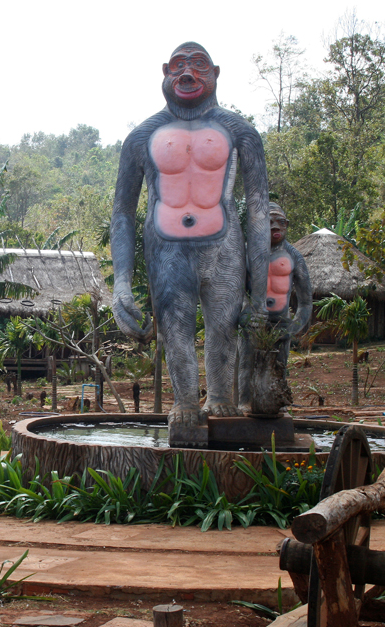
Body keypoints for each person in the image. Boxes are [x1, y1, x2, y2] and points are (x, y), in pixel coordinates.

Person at [110, 42, 271, 427]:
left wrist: (262, 293)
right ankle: (184, 402)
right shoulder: (141, 137)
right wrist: (121, 284)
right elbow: (122, 214)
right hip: (165, 249)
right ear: (165, 72)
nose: (188, 74)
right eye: (179, 65)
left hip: (223, 245)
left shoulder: (239, 132)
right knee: (174, 327)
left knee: (224, 326)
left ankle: (219, 396)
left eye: (199, 65)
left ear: (216, 73)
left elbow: (260, 211)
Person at [237, 203, 312, 412]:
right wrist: (245, 313)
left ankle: (276, 403)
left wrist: (295, 326)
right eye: (269, 222)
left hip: (281, 320)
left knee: (280, 365)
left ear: (287, 225)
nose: (275, 227)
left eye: (280, 222)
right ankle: (245, 401)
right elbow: (234, 290)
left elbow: (306, 301)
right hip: (253, 318)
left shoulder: (294, 256)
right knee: (246, 362)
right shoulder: (246, 253)